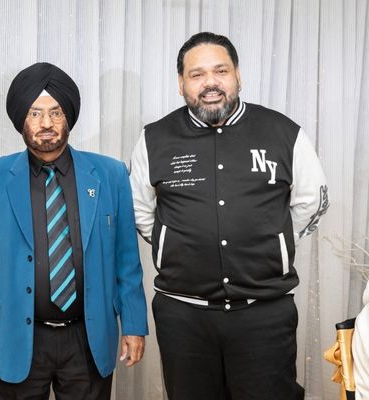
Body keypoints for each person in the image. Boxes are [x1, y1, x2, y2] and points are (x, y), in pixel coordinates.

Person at [129, 32, 329, 400]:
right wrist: (172, 243)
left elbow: (311, 199)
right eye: (197, 74)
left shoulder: (283, 132)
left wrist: (276, 240)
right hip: (183, 316)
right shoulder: (154, 138)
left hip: (264, 313)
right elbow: (139, 209)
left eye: (220, 71)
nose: (210, 83)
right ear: (181, 83)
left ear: (237, 75)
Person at [0, 62, 148, 400]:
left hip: (87, 336)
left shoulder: (110, 175)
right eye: (35, 113)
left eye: (55, 112)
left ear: (68, 117)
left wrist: (133, 324)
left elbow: (127, 259)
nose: (46, 123)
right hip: (16, 336)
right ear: (21, 119)